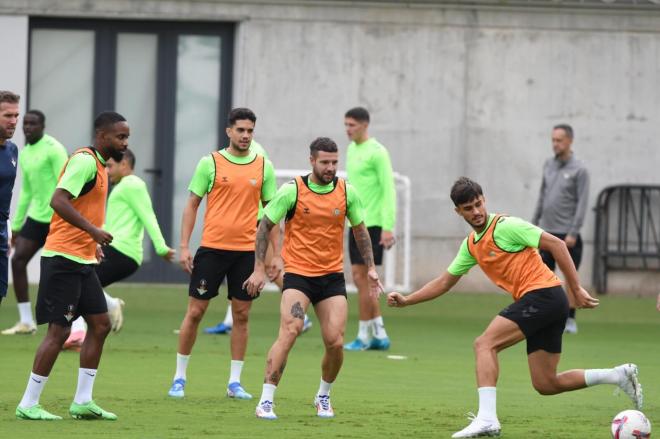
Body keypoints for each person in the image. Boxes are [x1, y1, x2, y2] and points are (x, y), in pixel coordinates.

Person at [387, 177, 642, 438]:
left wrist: (575, 288)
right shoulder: (471, 246)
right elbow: (444, 282)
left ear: (484, 200)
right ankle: (617, 375)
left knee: (484, 344)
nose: (476, 212)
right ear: (458, 211)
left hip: (544, 295)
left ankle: (487, 419)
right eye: (468, 208)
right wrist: (408, 300)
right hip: (547, 303)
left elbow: (557, 244)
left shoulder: (506, 226)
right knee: (546, 383)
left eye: (478, 204)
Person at [245, 137, 382, 420]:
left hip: (331, 278)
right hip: (298, 275)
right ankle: (266, 400)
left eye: (334, 162)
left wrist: (370, 267)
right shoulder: (292, 190)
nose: (331, 167)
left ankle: (323, 396)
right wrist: (261, 268)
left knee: (335, 341)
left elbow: (360, 231)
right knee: (291, 330)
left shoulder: (346, 192)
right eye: (325, 162)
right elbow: (264, 227)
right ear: (312, 161)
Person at [16, 111, 129, 421]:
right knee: (59, 331)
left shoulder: (102, 167)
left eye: (126, 136)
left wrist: (91, 243)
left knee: (101, 324)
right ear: (103, 136)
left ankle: (82, 400)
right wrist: (92, 232)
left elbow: (83, 207)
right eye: (120, 136)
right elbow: (58, 200)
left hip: (83, 259)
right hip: (63, 260)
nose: (125, 142)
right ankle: (28, 402)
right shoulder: (84, 161)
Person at [168, 108, 276, 401]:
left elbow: (271, 217)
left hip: (245, 253)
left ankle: (234, 382)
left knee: (241, 315)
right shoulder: (210, 162)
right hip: (212, 250)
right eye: (240, 130)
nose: (245, 136)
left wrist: (270, 259)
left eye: (250, 131)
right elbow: (192, 204)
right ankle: (179, 377)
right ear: (229, 131)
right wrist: (185, 246)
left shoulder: (264, 166)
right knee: (195, 312)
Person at [63, 148, 175, 349]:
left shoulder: (133, 184)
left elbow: (148, 216)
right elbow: (111, 222)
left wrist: (160, 247)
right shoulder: (121, 187)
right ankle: (103, 311)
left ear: (125, 165)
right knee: (82, 284)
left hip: (123, 252)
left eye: (110, 166)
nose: (106, 170)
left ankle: (80, 331)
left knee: (78, 283)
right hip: (114, 248)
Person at [205, 139, 312, 335]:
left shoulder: (255, 152)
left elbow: (262, 189)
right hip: (245, 224)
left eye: (246, 129)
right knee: (239, 274)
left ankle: (301, 316)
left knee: (274, 270)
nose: (242, 134)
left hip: (256, 222)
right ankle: (230, 320)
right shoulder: (231, 153)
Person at [2, 110, 67, 334]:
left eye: (33, 124)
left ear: (43, 126)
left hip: (59, 218)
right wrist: (16, 226)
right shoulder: (25, 153)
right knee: (18, 260)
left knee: (65, 269)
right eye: (25, 124)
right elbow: (26, 192)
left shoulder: (54, 149)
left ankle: (98, 310)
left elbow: (69, 183)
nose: (27, 127)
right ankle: (26, 321)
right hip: (37, 218)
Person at [343, 107, 396, 351]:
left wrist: (388, 227)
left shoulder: (378, 152)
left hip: (373, 225)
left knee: (365, 280)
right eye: (346, 125)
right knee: (360, 279)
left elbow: (388, 190)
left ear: (365, 125)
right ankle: (380, 333)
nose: (348, 129)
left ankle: (364, 335)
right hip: (355, 222)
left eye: (352, 125)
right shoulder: (352, 149)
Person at [532, 124, 589, 334]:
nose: (555, 144)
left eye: (559, 140)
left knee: (569, 276)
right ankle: (545, 315)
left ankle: (570, 320)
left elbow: (582, 203)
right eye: (553, 140)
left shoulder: (580, 170)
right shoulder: (548, 164)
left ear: (570, 141)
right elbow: (542, 195)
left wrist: (573, 232)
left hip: (567, 235)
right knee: (543, 276)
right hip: (546, 232)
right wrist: (533, 224)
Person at [0, 91, 20, 308]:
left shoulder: (13, 150)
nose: (14, 121)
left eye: (16, 115)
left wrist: (8, 226)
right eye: (8, 115)